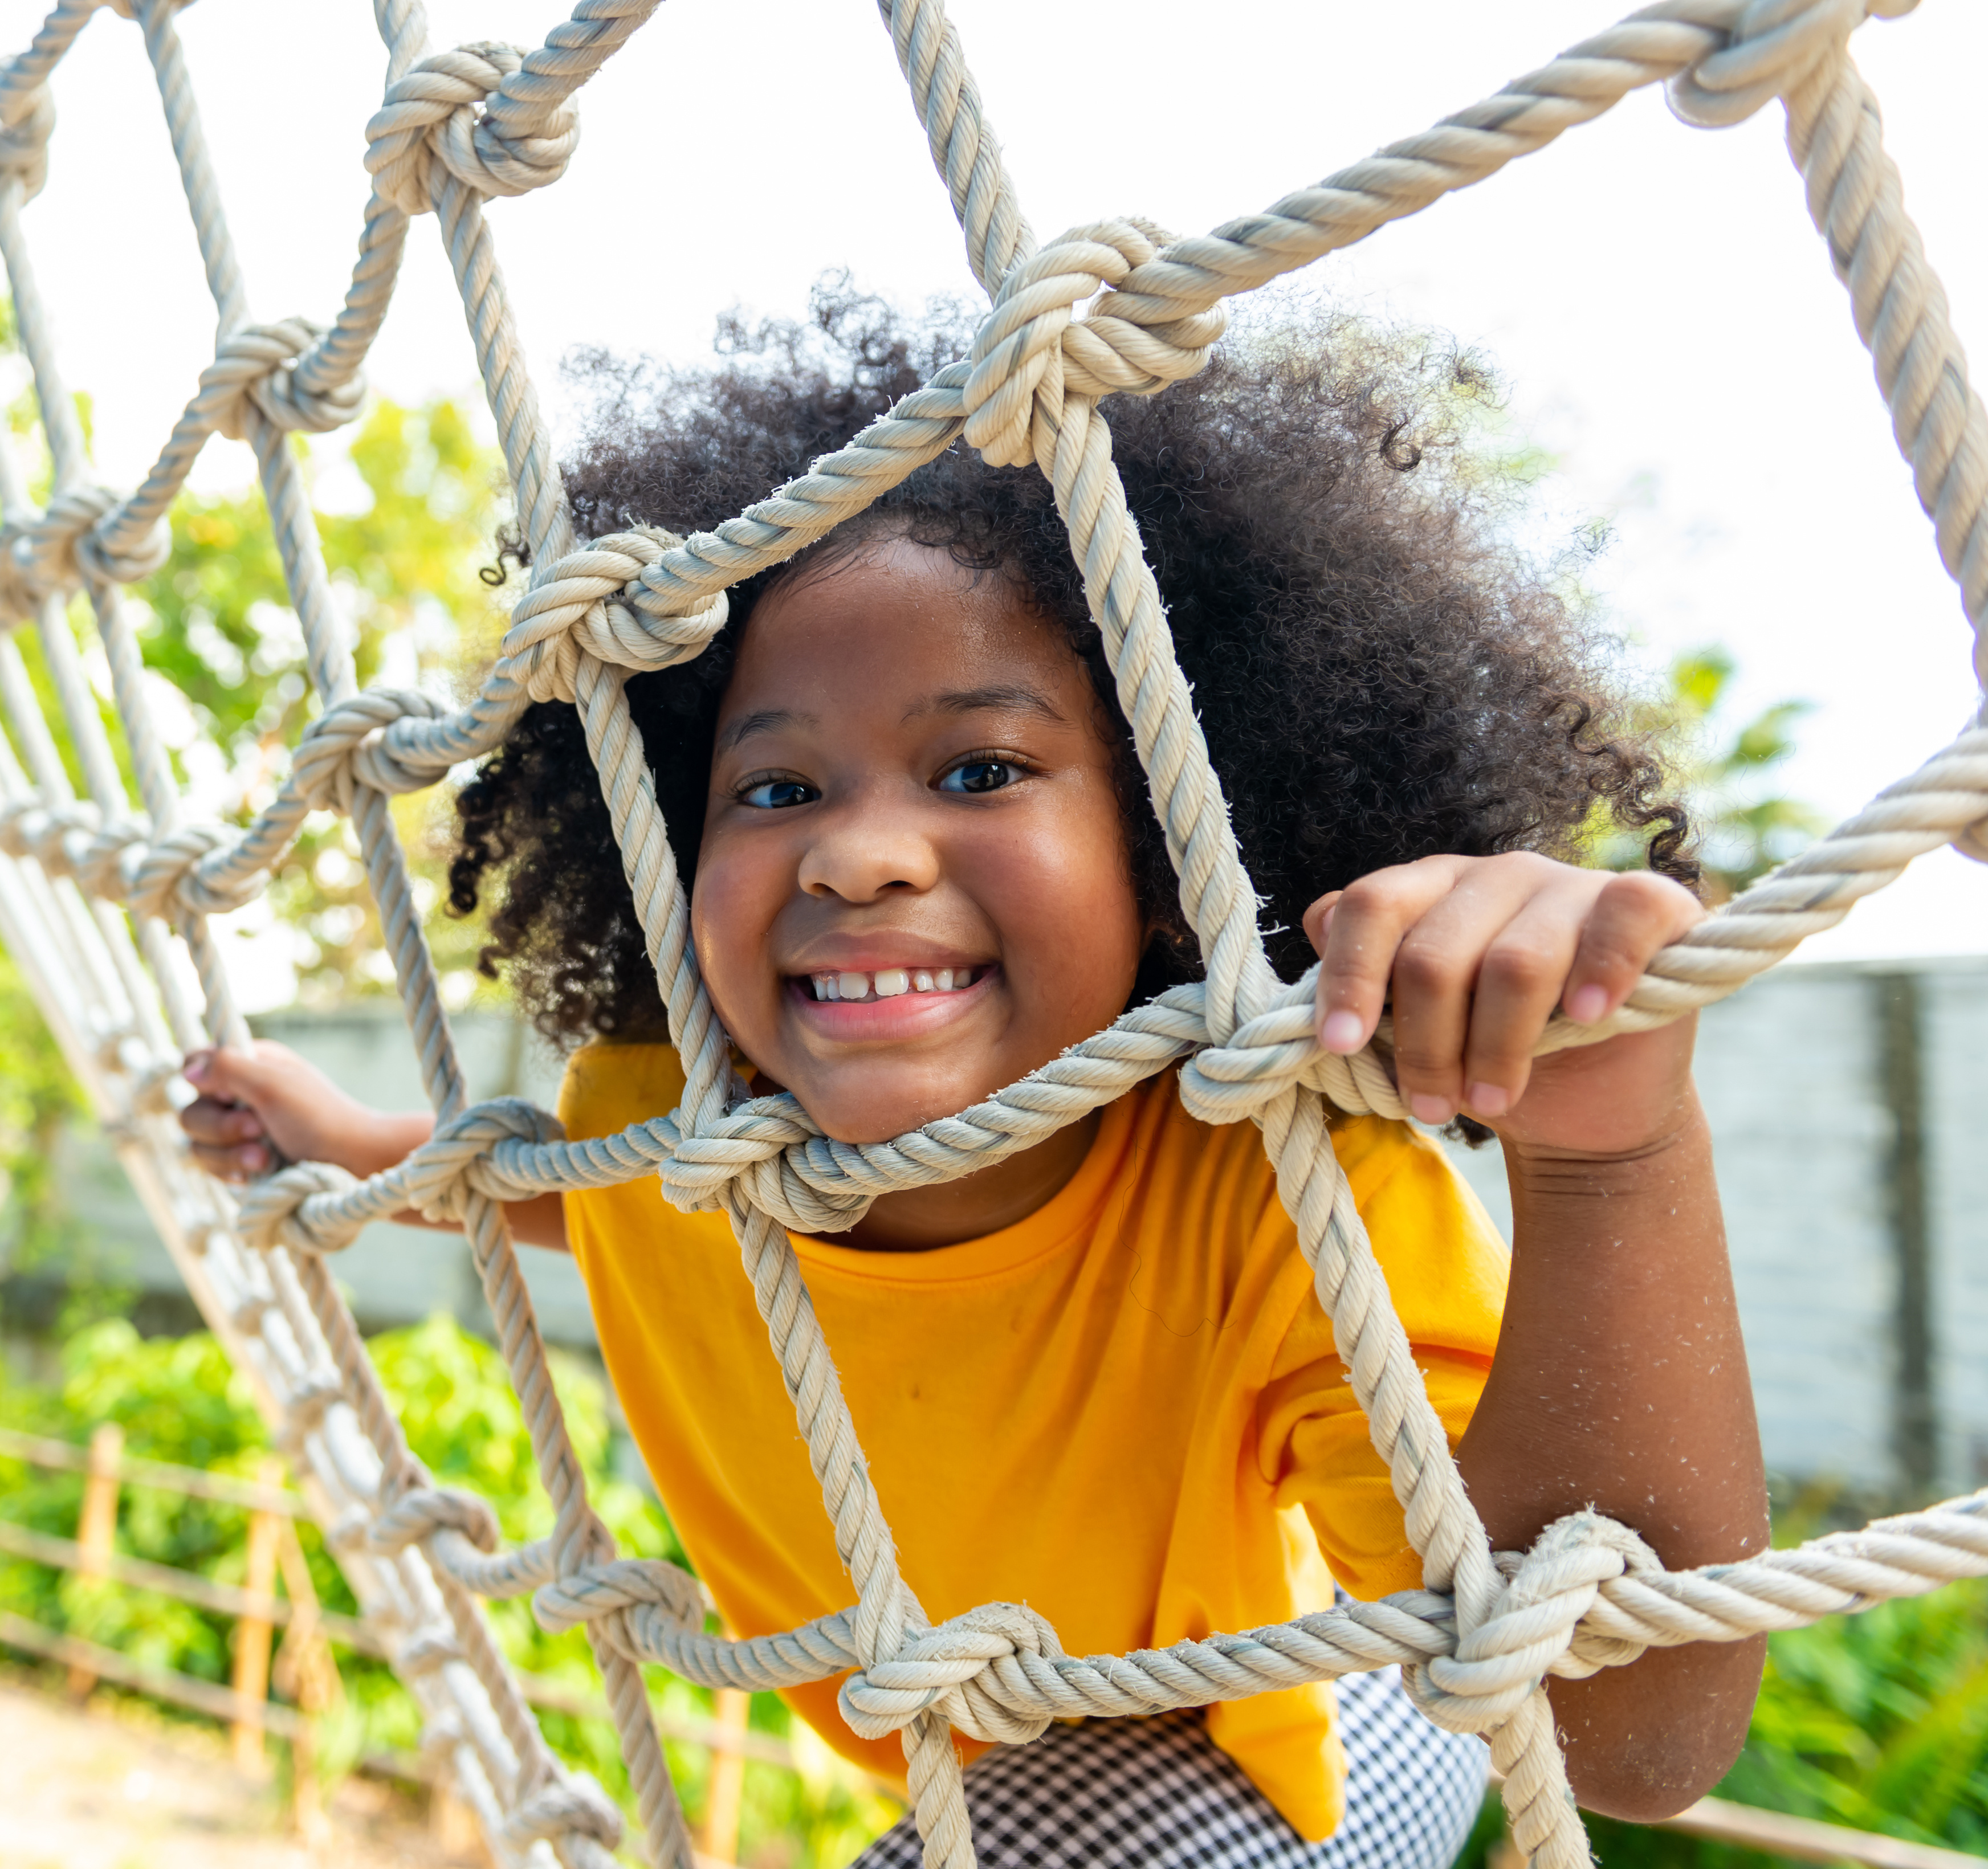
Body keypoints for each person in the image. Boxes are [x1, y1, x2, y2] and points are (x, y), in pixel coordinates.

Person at [178, 292, 1767, 1869]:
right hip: (943, 1734)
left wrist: (1612, 1156)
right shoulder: (657, 1115)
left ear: (1170, 854)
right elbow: (597, 1209)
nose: (860, 853)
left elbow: (1625, 1741)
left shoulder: (1283, 1198)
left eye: (982, 770)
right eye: (777, 786)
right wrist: (360, 1151)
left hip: (1263, 1719)